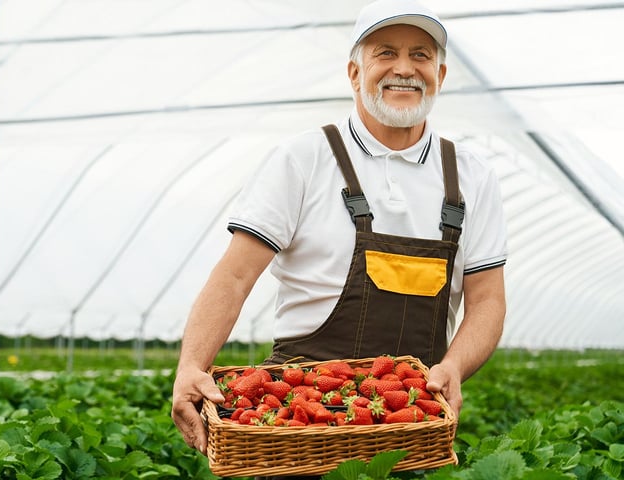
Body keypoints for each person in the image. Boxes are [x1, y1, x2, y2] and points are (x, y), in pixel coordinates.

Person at [171, 0, 507, 476]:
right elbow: (234, 275)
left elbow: (488, 299)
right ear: (355, 72)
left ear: (441, 73)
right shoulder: (303, 159)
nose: (405, 69)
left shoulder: (471, 176)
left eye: (421, 55)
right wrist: (191, 367)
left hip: (409, 421)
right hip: (296, 418)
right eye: (385, 53)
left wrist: (453, 368)